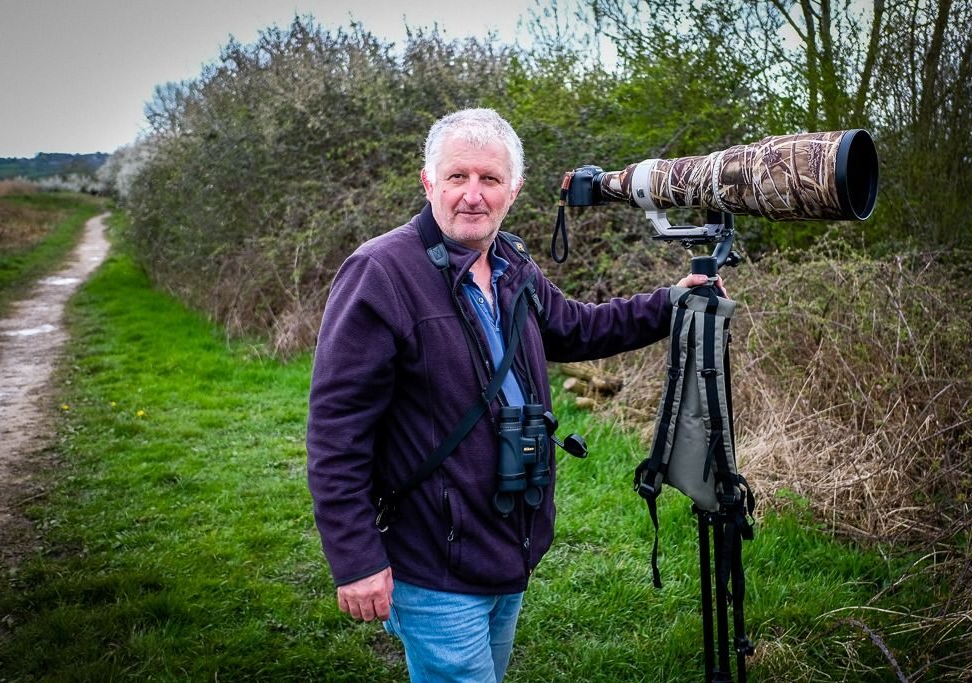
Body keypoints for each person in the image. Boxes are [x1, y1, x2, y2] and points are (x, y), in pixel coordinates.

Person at [306, 108, 721, 682]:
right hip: (432, 558)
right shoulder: (381, 272)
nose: (472, 195)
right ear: (428, 182)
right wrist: (355, 558)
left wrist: (671, 303)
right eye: (457, 176)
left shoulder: (511, 263)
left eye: (490, 179)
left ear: (514, 190)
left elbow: (576, 328)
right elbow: (336, 430)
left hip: (508, 544)